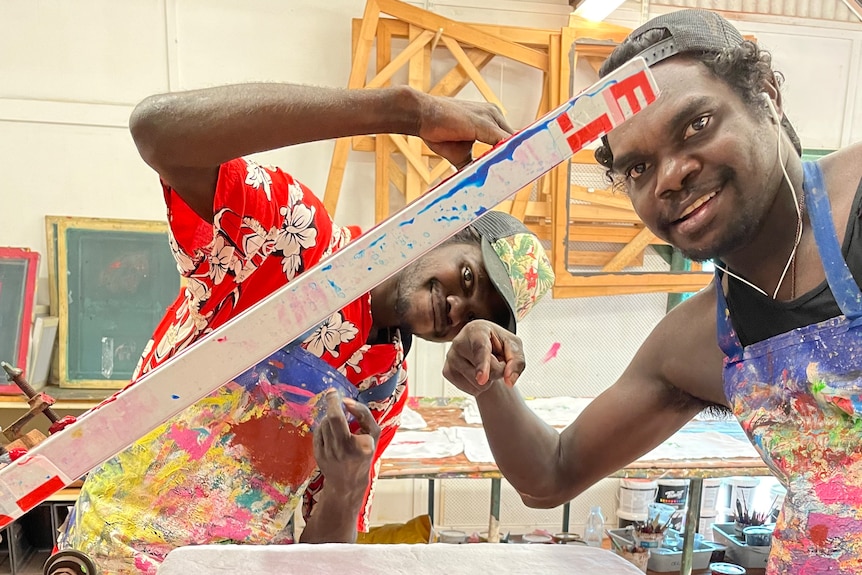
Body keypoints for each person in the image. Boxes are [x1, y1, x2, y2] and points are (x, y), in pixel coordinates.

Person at [57, 82, 555, 574]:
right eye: (466, 276)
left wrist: (344, 488)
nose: (454, 306)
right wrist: (403, 110)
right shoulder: (295, 240)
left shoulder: (383, 389)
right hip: (108, 553)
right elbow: (157, 130)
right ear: (444, 229)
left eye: (473, 315)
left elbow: (324, 556)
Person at [443, 9, 862, 574]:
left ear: (766, 95)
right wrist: (487, 382)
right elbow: (551, 475)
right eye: (638, 168)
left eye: (696, 125)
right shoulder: (699, 343)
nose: (667, 177)